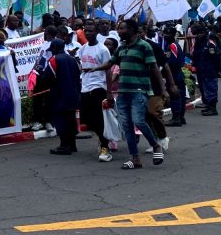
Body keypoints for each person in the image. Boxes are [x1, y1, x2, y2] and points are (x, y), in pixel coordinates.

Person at [112, 19, 165, 169]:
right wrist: (96, 69)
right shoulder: (122, 47)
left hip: (139, 91)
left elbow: (155, 68)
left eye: (122, 28)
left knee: (139, 121)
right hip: (123, 92)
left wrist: (164, 88)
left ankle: (156, 145)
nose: (119, 31)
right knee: (126, 126)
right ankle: (135, 158)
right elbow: (111, 63)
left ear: (132, 30)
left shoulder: (144, 46)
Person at [37, 39, 81, 155]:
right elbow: (78, 76)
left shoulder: (54, 60)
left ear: (55, 49)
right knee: (70, 120)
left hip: (60, 95)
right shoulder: (73, 60)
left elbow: (47, 78)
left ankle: (64, 146)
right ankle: (72, 145)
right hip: (74, 94)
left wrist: (39, 74)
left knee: (61, 120)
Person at [77, 29, 113, 161]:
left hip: (98, 86)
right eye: (87, 30)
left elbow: (108, 71)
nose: (89, 33)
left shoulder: (103, 49)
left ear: (96, 32)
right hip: (85, 87)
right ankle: (102, 138)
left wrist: (109, 92)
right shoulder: (83, 48)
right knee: (88, 120)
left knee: (98, 118)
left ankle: (106, 148)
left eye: (92, 30)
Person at [191, 23, 221, 116]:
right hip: (201, 69)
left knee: (211, 88)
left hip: (210, 69)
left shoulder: (210, 43)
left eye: (199, 33)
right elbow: (196, 54)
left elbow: (216, 58)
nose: (198, 36)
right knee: (204, 88)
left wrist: (217, 70)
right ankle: (208, 106)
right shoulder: (199, 42)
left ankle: (213, 108)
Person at [162, 26, 189, 126]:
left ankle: (176, 118)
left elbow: (171, 62)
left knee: (175, 95)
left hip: (174, 74)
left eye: (167, 34)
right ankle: (181, 117)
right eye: (164, 33)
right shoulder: (174, 45)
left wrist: (164, 72)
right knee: (180, 95)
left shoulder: (172, 46)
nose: (165, 36)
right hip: (178, 73)